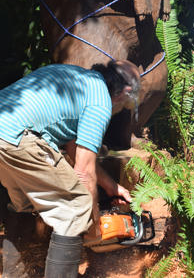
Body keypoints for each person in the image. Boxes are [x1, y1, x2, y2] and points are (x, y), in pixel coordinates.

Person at [0, 59, 141, 278]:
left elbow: (76, 150)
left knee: (26, 204)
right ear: (126, 92)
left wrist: (111, 186)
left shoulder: (74, 77)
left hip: (6, 131)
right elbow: (83, 174)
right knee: (75, 207)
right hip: (16, 138)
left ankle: (18, 272)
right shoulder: (100, 101)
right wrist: (93, 227)